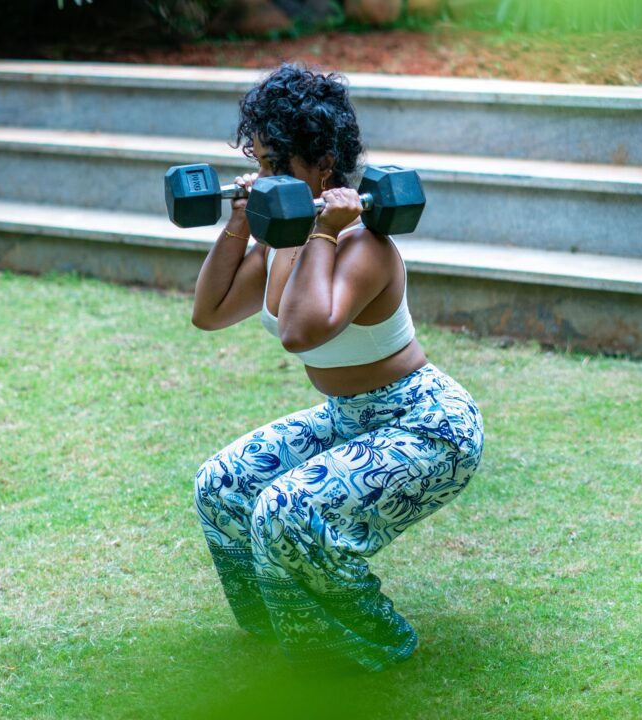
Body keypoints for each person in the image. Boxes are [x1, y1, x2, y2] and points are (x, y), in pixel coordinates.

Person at [191, 63, 484, 674]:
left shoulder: (363, 247)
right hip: (350, 417)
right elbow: (210, 312)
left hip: (425, 427)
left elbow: (301, 330)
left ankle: (374, 641)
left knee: (289, 510)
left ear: (323, 166)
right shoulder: (279, 237)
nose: (265, 178)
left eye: (279, 166)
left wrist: (324, 231)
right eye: (261, 162)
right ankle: (283, 629)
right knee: (223, 484)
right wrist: (239, 224)